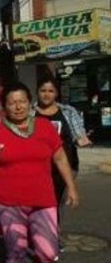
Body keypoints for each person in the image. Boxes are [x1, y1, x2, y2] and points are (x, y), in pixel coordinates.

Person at [0, 82, 79, 263]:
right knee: (15, 251)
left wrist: (72, 188)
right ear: (4, 106)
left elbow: (60, 158)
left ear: (29, 103)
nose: (18, 106)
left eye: (22, 101)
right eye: (12, 102)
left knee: (48, 252)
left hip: (44, 201)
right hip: (7, 203)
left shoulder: (44, 127)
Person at [34, 77, 92, 250]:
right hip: (38, 168)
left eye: (50, 91)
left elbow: (78, 133)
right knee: (40, 203)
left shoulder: (68, 111)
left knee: (56, 204)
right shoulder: (29, 112)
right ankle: (40, 236)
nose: (46, 94)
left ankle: (53, 238)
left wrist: (83, 139)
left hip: (66, 165)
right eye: (43, 90)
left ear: (56, 93)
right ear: (38, 92)